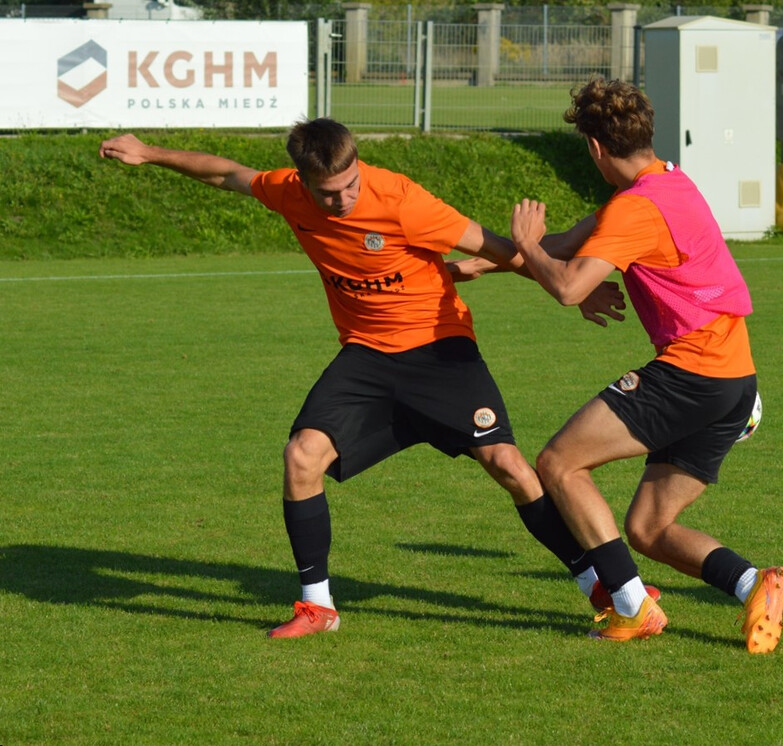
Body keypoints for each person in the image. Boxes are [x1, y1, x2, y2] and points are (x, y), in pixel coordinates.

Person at [99, 118, 629, 638]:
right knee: (301, 456)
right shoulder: (287, 192)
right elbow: (225, 174)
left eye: (351, 184)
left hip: (440, 348)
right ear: (302, 180)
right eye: (328, 193)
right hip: (366, 357)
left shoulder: (402, 200)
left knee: (509, 465)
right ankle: (317, 607)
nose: (343, 199)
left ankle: (594, 583)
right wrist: (149, 152)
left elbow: (498, 250)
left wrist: (570, 290)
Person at [462, 77, 783, 651]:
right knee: (648, 528)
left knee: (559, 463)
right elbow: (563, 248)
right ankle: (753, 585)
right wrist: (470, 266)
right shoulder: (671, 183)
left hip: (692, 373)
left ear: (594, 147)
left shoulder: (632, 211)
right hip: (734, 379)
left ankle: (633, 607)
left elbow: (566, 285)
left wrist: (527, 242)